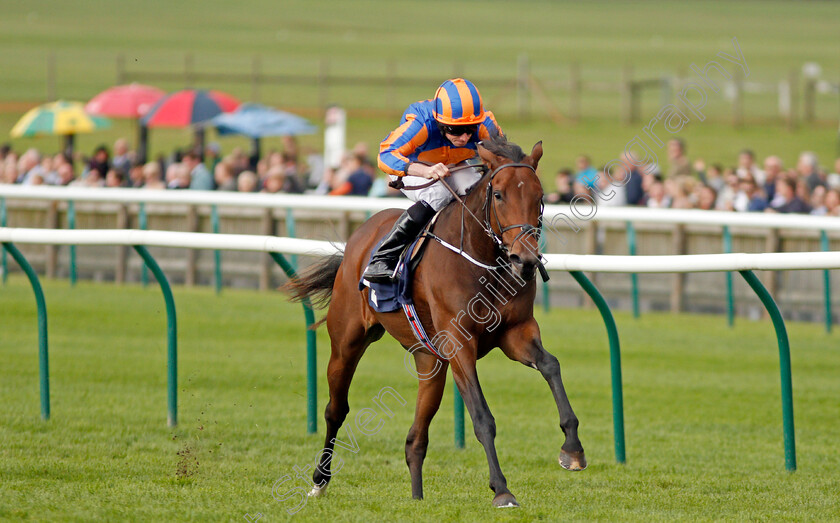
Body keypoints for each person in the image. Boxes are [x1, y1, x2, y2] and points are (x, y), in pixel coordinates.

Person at [363, 78, 502, 283]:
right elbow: (385, 154)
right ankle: (383, 258)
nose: (464, 138)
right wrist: (424, 171)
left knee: (477, 192)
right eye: (455, 130)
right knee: (439, 194)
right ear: (440, 123)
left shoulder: (485, 124)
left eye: (470, 129)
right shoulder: (422, 122)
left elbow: (504, 159)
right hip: (411, 167)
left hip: (455, 165)